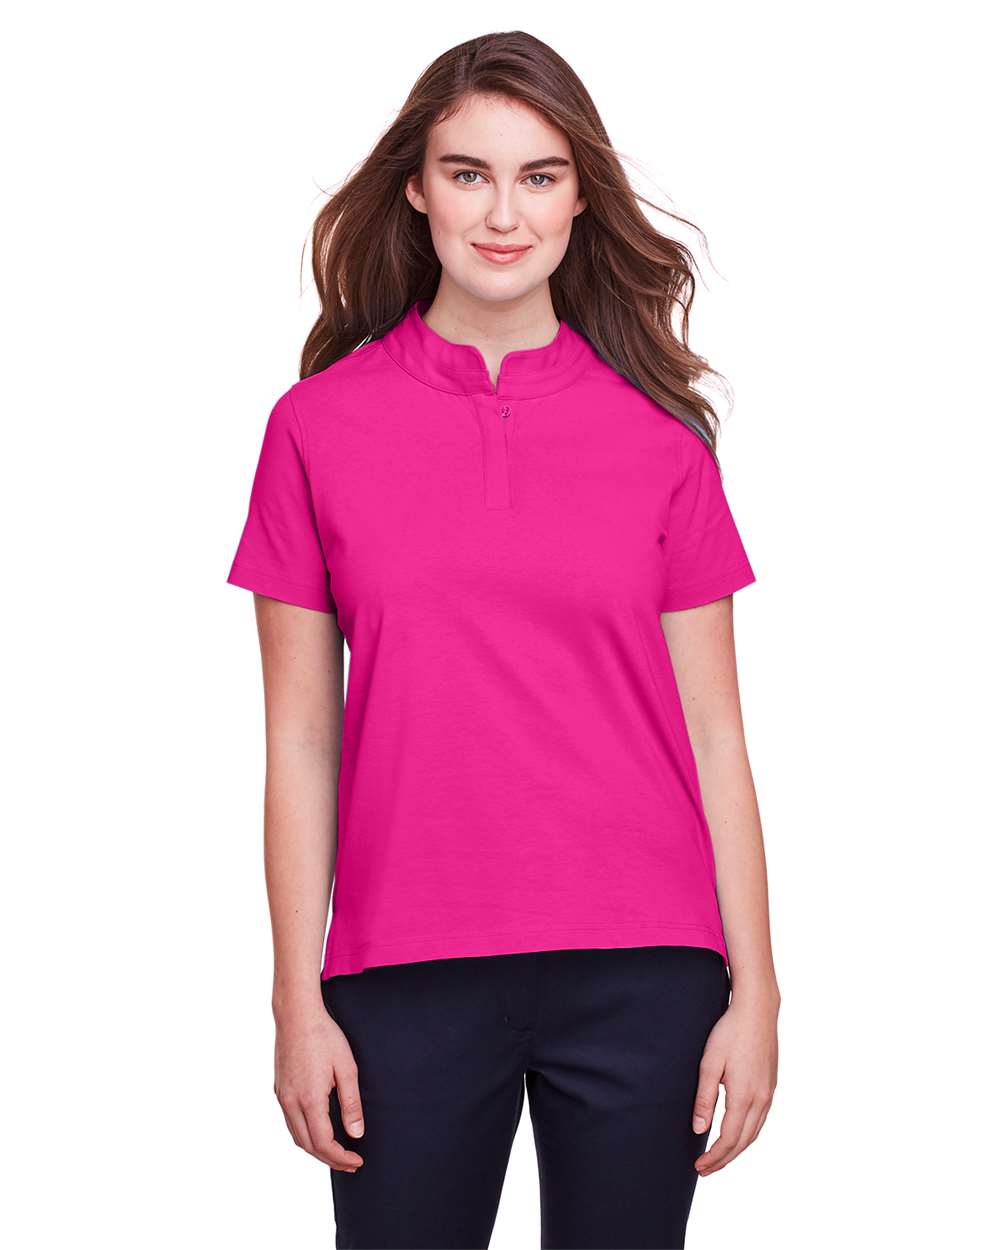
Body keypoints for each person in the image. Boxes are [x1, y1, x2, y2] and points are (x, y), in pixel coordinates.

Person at [226, 30, 780, 1250]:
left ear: (580, 196)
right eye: (467, 173)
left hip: (646, 964)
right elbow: (301, 737)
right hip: (401, 969)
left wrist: (760, 991)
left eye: (538, 176)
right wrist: (293, 999)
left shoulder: (662, 441)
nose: (502, 213)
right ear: (416, 190)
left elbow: (715, 733)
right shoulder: (315, 429)